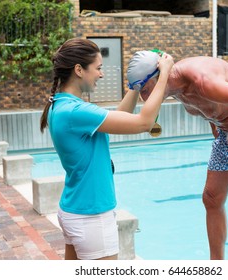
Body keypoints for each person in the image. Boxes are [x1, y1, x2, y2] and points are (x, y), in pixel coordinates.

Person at [127, 51, 228, 260]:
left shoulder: (202, 80)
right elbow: (206, 105)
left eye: (145, 90)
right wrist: (214, 121)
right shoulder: (176, 87)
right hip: (226, 135)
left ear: (158, 75)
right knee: (211, 199)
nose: (145, 98)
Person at [40, 39, 174, 260]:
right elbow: (144, 122)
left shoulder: (61, 105)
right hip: (91, 217)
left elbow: (120, 118)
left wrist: (136, 85)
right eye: (98, 68)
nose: (101, 74)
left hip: (75, 210)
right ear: (79, 70)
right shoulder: (75, 111)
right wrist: (165, 74)